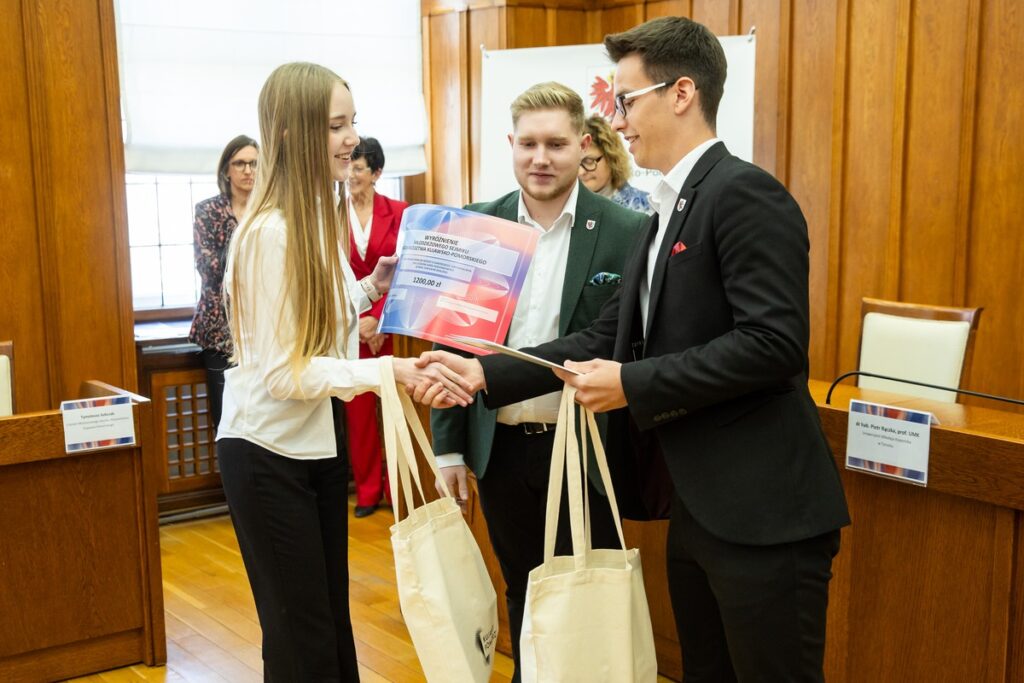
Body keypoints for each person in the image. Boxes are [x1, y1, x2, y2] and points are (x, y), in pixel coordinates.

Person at [417, 17, 850, 682]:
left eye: (625, 100)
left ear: (681, 93)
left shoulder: (744, 194)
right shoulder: (664, 212)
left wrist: (634, 383)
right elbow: (602, 338)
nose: (616, 123)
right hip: (701, 508)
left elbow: (775, 343)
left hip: (766, 515)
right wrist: (482, 371)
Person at [216, 61, 472, 681]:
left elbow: (315, 317)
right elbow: (285, 373)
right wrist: (392, 373)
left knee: (330, 626)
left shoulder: (308, 218)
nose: (352, 139)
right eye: (336, 126)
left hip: (314, 445)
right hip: (267, 450)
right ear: (290, 133)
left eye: (352, 122)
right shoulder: (271, 232)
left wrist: (368, 289)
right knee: (300, 634)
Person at [430, 81, 647, 683]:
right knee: (524, 596)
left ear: (583, 145)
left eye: (555, 143)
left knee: (585, 604)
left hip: (583, 449)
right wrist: (447, 444)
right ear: (511, 144)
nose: (541, 158)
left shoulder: (626, 230)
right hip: (499, 448)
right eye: (528, 144)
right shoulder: (476, 223)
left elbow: (618, 337)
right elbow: (452, 342)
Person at [343, 136, 408, 518]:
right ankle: (367, 491)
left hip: (392, 323)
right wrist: (360, 320)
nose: (351, 174)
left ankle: (399, 490)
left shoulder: (399, 211)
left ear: (377, 173)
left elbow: (405, 266)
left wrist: (380, 315)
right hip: (351, 325)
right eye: (348, 166)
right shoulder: (333, 213)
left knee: (397, 410)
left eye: (359, 168)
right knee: (359, 413)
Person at [189, 134, 258, 430]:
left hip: (262, 329)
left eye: (254, 164)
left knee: (258, 417)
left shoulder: (269, 211)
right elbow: (207, 266)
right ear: (226, 170)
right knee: (226, 419)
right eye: (239, 163)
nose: (247, 171)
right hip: (219, 331)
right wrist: (247, 248)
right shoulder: (208, 211)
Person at [579, 114, 653, 214]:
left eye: (589, 161)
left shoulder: (645, 209)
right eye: (575, 163)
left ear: (611, 157)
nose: (581, 172)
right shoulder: (564, 210)